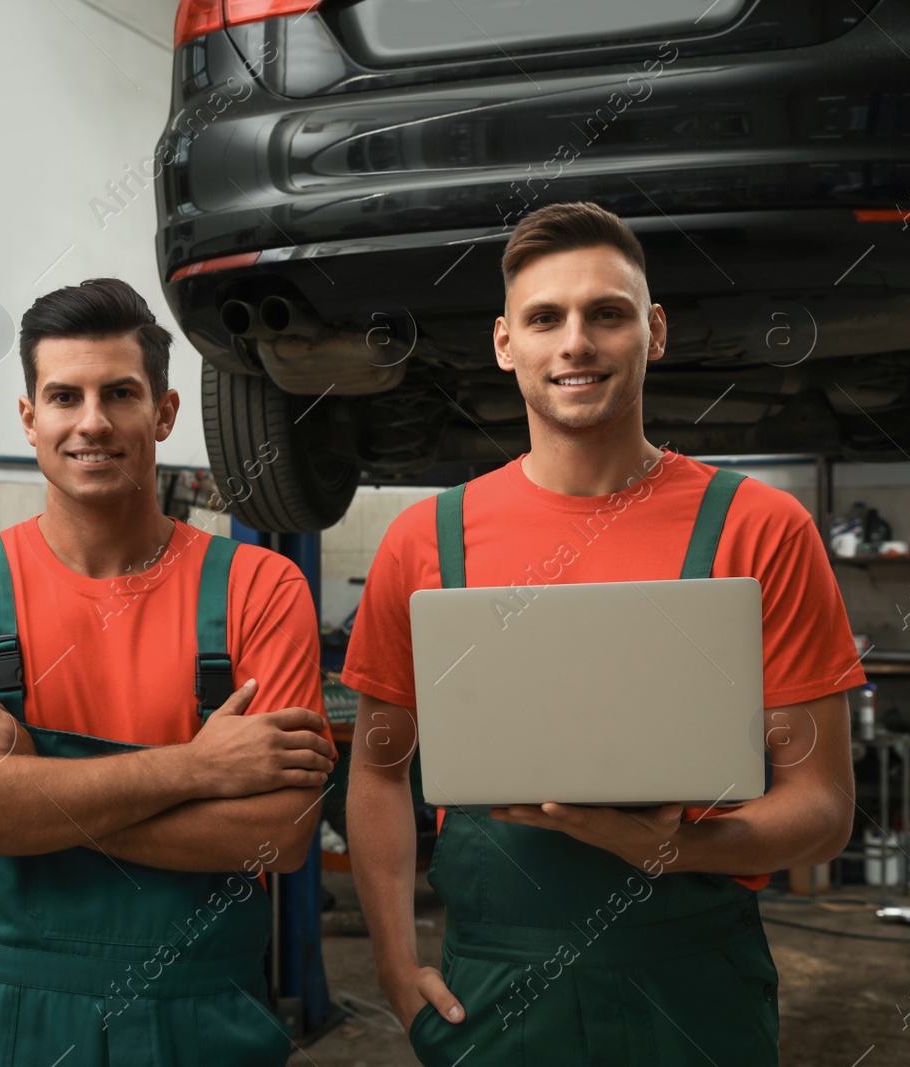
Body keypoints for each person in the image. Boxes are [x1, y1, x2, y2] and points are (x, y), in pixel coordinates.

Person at [343, 202, 863, 1066]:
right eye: (546, 318)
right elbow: (376, 770)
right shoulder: (425, 540)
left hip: (694, 989)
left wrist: (683, 847)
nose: (575, 342)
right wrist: (397, 968)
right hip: (496, 994)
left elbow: (825, 807)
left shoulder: (760, 529)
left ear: (652, 332)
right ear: (506, 343)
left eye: (607, 314)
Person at [0, 277, 335, 1065]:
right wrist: (198, 767)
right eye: (64, 396)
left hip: (204, 1016)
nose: (92, 422)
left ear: (163, 411)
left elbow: (279, 834)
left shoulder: (259, 587)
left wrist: (27, 784)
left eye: (120, 393)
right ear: (30, 419)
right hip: (9, 1024)